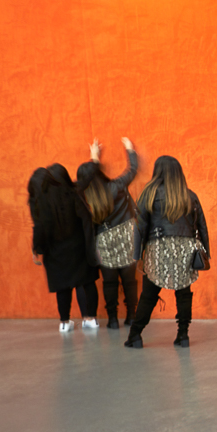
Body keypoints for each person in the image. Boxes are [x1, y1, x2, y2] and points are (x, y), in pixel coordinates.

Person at [125, 156, 209, 349]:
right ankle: (183, 336)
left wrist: (138, 255)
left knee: (149, 294)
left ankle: (135, 335)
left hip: (158, 247)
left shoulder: (149, 193)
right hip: (185, 248)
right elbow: (201, 224)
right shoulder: (189, 195)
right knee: (184, 292)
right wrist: (206, 251)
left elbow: (140, 226)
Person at [76, 138, 139, 329]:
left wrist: (93, 157)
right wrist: (130, 149)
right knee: (129, 280)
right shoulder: (116, 186)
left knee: (109, 282)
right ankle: (132, 316)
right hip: (126, 237)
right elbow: (132, 170)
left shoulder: (84, 197)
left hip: (102, 240)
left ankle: (112, 318)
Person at [29, 164, 100, 331]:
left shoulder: (43, 202)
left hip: (55, 253)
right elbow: (85, 218)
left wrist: (37, 250)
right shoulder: (73, 194)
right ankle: (90, 319)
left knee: (63, 286)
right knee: (86, 282)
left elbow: (40, 228)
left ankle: (64, 322)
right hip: (78, 248)